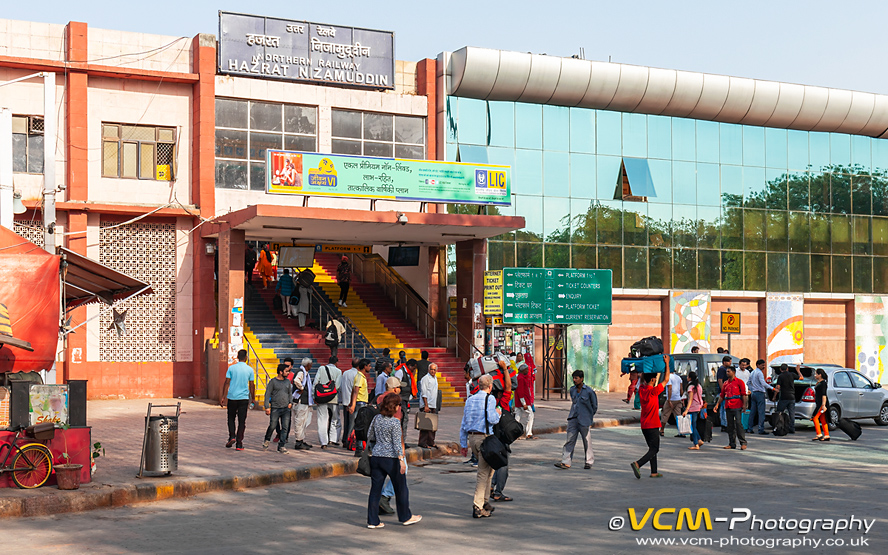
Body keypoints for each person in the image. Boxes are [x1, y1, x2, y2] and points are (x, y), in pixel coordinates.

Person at [366, 393, 422, 528]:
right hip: (390, 459)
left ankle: (373, 521)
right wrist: (402, 460)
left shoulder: (376, 418)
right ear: (394, 407)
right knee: (401, 488)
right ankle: (405, 516)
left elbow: (369, 435)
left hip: (377, 456)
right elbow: (397, 443)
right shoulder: (395, 423)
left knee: (375, 490)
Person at [459, 375, 501, 518]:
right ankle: (478, 505)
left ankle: (484, 500)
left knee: (489, 469)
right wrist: (498, 414)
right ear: (490, 386)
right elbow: (492, 418)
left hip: (472, 437)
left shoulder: (470, 400)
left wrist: (464, 443)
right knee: (483, 472)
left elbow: (464, 423)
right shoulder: (490, 399)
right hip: (484, 438)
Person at [630, 354, 670, 479]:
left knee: (652, 448)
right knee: (655, 449)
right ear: (652, 380)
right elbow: (667, 379)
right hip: (652, 425)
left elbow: (643, 378)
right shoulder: (653, 391)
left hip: (644, 425)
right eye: (654, 379)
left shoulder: (642, 389)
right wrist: (667, 363)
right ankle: (638, 463)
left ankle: (654, 471)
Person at [554, 370, 598, 470]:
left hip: (584, 420)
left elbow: (594, 406)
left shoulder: (589, 391)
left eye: (576, 378)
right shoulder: (572, 390)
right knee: (569, 440)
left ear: (582, 379)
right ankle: (566, 462)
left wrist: (588, 416)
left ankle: (589, 461)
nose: (574, 380)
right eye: (573, 378)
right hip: (573, 418)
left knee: (587, 441)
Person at [377, 376, 405, 516]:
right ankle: (385, 496)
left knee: (380, 476)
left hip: (377, 445)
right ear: (395, 389)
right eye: (399, 387)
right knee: (401, 471)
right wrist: (401, 450)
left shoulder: (378, 398)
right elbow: (397, 428)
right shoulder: (394, 402)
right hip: (391, 447)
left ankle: (378, 501)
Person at [489, 357, 514, 502]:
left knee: (494, 463)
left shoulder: (488, 401)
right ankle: (498, 492)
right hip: (502, 437)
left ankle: (492, 486)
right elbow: (509, 386)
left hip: (491, 437)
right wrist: (505, 369)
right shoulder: (503, 402)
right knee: (503, 463)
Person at [221, 349, 255, 451]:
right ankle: (239, 443)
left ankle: (232, 436)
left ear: (237, 356)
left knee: (231, 418)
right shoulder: (249, 369)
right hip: (244, 398)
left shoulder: (231, 368)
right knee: (242, 421)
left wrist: (223, 396)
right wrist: (252, 398)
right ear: (246, 357)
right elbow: (252, 385)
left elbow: (226, 382)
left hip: (232, 397)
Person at [714, 366, 748, 450]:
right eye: (726, 372)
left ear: (733, 372)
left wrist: (744, 405)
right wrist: (717, 405)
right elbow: (722, 395)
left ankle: (743, 442)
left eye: (728, 371)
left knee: (738, 424)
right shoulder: (725, 383)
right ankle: (732, 443)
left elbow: (744, 394)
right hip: (728, 405)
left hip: (737, 405)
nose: (727, 373)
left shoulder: (740, 382)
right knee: (730, 425)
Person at [263, 364, 293, 453]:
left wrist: (290, 402)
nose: (288, 373)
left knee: (285, 427)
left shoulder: (287, 382)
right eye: (286, 371)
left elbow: (289, 393)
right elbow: (267, 394)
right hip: (275, 408)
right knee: (272, 425)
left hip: (286, 408)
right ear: (281, 372)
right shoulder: (273, 382)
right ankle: (267, 439)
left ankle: (281, 445)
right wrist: (267, 407)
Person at [315, 356, 343, 449]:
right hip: (333, 398)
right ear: (336, 363)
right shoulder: (338, 371)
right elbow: (338, 386)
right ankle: (333, 439)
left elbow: (315, 382)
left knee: (322, 420)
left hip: (321, 397)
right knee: (335, 419)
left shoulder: (321, 368)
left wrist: (314, 395)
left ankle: (324, 442)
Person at [348, 359, 371, 453]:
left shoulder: (361, 376)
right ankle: (359, 447)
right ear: (365, 366)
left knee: (361, 425)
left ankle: (361, 447)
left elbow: (354, 391)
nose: (370, 367)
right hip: (359, 403)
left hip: (362, 403)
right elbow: (356, 391)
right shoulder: (359, 377)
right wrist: (353, 405)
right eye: (369, 365)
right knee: (360, 425)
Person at [393, 358, 418, 444]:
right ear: (410, 366)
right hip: (400, 400)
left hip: (405, 399)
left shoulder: (409, 374)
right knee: (402, 420)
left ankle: (403, 440)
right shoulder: (400, 372)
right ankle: (400, 441)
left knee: (404, 420)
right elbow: (396, 385)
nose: (414, 370)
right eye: (413, 368)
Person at [291, 357, 314, 450]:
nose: (311, 366)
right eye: (310, 365)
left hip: (305, 402)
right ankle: (298, 441)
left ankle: (301, 439)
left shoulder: (305, 373)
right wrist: (301, 388)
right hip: (300, 401)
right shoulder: (301, 372)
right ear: (307, 365)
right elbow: (296, 381)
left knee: (304, 421)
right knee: (299, 421)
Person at [773, 363, 803, 434]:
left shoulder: (780, 376)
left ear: (780, 369)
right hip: (792, 397)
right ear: (787, 369)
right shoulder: (792, 374)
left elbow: (778, 387)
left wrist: (774, 396)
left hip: (783, 397)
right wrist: (798, 371)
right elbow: (801, 378)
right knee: (791, 414)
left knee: (779, 412)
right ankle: (792, 428)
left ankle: (779, 427)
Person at [746, 359, 774, 435]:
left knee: (753, 412)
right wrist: (772, 388)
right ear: (758, 365)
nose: (764, 366)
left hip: (754, 393)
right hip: (760, 393)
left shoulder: (752, 372)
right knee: (761, 412)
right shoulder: (759, 373)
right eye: (762, 365)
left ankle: (750, 428)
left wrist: (752, 389)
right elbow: (763, 384)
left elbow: (748, 383)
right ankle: (760, 429)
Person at [418, 363, 439, 448]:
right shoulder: (425, 379)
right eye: (431, 369)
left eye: (434, 370)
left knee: (432, 425)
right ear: (428, 369)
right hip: (427, 405)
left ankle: (431, 442)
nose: (433, 371)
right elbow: (424, 393)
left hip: (433, 404)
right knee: (425, 425)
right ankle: (422, 442)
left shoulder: (435, 378)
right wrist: (426, 405)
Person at [339, 358, 359, 448]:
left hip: (345, 400)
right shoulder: (357, 375)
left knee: (346, 422)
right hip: (352, 401)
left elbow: (342, 386)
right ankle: (348, 441)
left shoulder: (345, 373)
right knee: (352, 423)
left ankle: (344, 439)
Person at [683, 371, 704, 450]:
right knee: (693, 425)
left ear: (690, 378)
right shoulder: (699, 386)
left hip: (692, 407)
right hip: (699, 406)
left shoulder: (690, 387)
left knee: (692, 426)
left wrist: (686, 410)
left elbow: (690, 399)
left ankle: (696, 444)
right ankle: (699, 440)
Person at [660, 368, 684, 437]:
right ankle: (681, 431)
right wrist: (681, 398)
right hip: (678, 399)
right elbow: (681, 390)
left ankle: (662, 430)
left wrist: (669, 400)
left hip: (671, 399)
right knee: (678, 415)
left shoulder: (668, 378)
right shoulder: (679, 378)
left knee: (665, 414)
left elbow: (669, 388)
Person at [515, 363, 536, 440]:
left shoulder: (519, 378)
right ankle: (529, 433)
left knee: (517, 417)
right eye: (526, 369)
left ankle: (514, 434)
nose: (527, 371)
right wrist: (524, 403)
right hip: (523, 402)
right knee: (530, 415)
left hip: (518, 402)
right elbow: (521, 392)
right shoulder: (521, 379)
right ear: (523, 370)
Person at [811, 368, 830, 442]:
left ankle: (819, 434)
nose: (815, 375)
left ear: (820, 375)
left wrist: (823, 405)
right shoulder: (819, 382)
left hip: (821, 404)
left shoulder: (823, 383)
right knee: (822, 419)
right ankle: (826, 435)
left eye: (816, 374)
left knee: (815, 418)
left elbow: (824, 395)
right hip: (818, 402)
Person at [716, 356, 732, 431]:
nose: (730, 363)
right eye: (729, 361)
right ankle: (724, 424)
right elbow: (720, 380)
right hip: (723, 392)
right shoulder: (722, 369)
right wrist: (723, 391)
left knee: (724, 408)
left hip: (727, 391)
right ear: (724, 362)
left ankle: (724, 424)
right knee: (724, 408)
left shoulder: (726, 369)